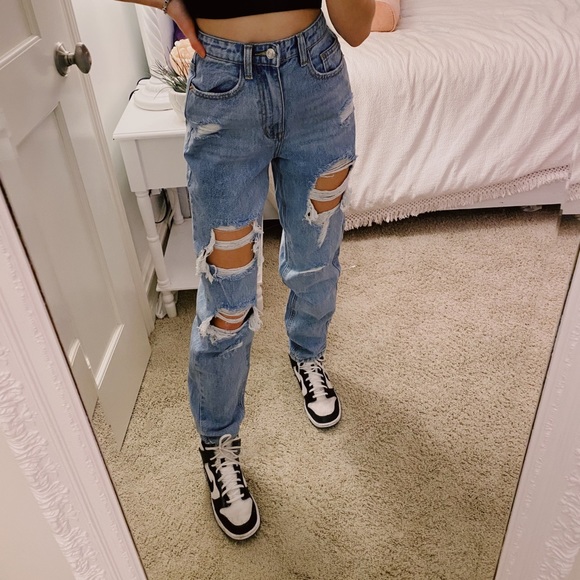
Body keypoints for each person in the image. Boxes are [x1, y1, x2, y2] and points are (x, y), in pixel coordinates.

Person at [116, 0, 375, 540]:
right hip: (223, 92)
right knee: (226, 298)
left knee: (316, 259)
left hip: (316, 79)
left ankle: (307, 355)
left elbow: (356, 30)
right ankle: (217, 442)